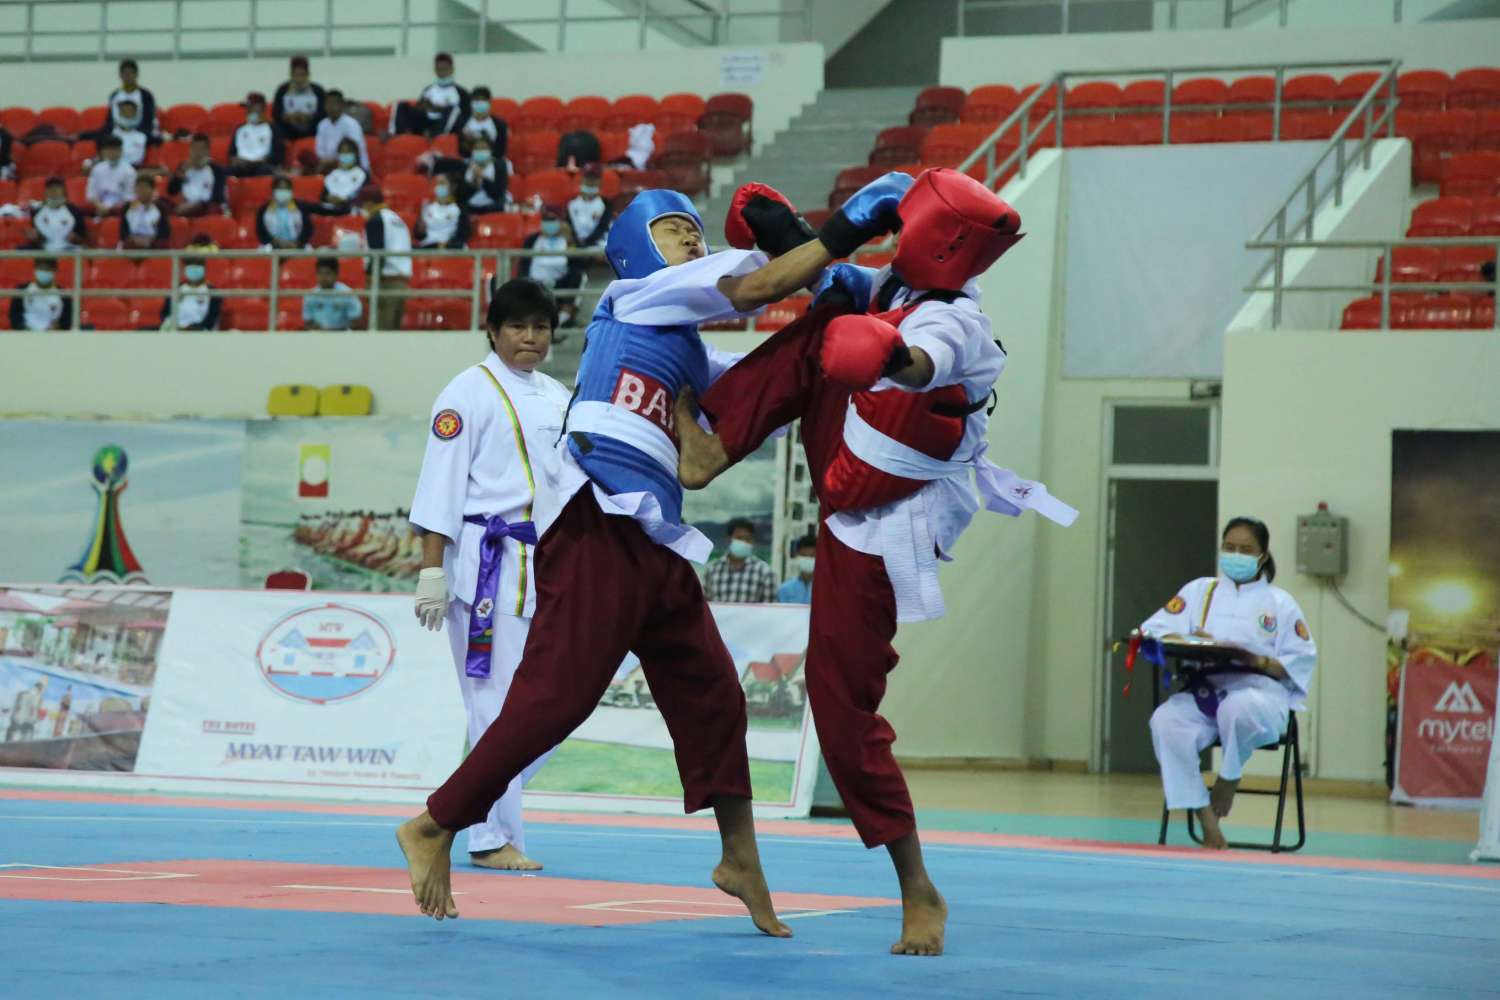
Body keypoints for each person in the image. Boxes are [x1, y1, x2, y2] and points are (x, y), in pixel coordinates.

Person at [394, 186, 851, 930]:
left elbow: (757, 387)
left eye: (697, 233)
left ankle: (740, 857)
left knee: (716, 694)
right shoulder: (632, 298)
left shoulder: (675, 350)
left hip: (653, 538)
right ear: (639, 249)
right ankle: (435, 823)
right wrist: (839, 235)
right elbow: (756, 287)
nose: (692, 241)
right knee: (552, 700)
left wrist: (836, 316)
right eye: (674, 231)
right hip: (592, 527)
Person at [674, 169, 1077, 956]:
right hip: (848, 458)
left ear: (940, 238)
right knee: (831, 308)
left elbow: (922, 361)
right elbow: (842, 285)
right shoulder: (892, 285)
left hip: (885, 522)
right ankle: (712, 446)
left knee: (842, 714)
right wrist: (808, 233)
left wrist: (888, 355)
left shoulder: (959, 323)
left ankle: (918, 886)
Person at [408, 278, 572, 872]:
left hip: (547, 561)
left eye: (540, 327)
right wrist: (432, 571)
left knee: (562, 702)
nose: (530, 338)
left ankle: (463, 800)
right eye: (517, 327)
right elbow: (440, 485)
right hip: (487, 564)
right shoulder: (465, 393)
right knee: (493, 705)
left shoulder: (557, 394)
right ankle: (488, 836)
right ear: (493, 331)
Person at [1139, 516, 1317, 850]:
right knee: (1165, 721)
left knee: (1238, 707)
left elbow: (1300, 660)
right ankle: (1206, 817)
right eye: (1229, 547)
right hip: (1205, 691)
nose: (1236, 555)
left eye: (1246, 549)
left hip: (1259, 695)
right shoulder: (1200, 591)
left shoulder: (1280, 603)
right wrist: (1189, 640)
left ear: (1262, 556)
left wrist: (1258, 661)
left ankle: (1229, 776)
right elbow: (1153, 629)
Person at [518, 206, 583, 326]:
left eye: (552, 220)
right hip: (534, 282)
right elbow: (524, 265)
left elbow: (579, 263)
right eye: (546, 220)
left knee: (578, 275)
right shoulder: (532, 240)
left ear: (560, 222)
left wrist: (570, 241)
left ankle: (564, 317)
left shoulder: (568, 240)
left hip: (560, 283)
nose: (549, 224)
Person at [360, 185, 412, 330]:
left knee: (381, 333)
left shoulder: (375, 220)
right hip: (402, 282)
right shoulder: (397, 219)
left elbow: (378, 254)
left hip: (385, 282)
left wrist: (370, 279)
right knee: (393, 333)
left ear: (369, 203)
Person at [704, 518, 777, 603]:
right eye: (739, 538)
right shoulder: (712, 570)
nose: (744, 542)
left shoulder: (765, 572)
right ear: (729, 539)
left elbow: (769, 608)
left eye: (748, 539)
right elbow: (705, 604)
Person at [397, 52, 468, 137]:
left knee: (453, 110)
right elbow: (419, 109)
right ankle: (400, 134)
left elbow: (465, 115)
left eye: (444, 68)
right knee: (402, 106)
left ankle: (436, 135)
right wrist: (424, 106)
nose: (442, 72)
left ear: (452, 69)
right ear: (435, 70)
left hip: (445, 125)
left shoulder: (461, 92)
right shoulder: (428, 90)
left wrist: (437, 109)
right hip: (426, 123)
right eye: (439, 69)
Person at [167, 133, 228, 216]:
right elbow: (171, 191)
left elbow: (218, 198)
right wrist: (180, 175)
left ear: (208, 151)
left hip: (206, 207)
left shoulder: (216, 170)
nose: (197, 153)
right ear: (190, 150)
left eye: (201, 149)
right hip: (185, 204)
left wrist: (197, 204)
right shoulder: (183, 167)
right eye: (195, 149)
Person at [228, 92, 286, 178]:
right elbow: (232, 153)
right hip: (242, 167)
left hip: (262, 166)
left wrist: (257, 162)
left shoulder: (273, 129)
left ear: (262, 108)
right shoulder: (239, 129)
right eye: (247, 108)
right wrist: (236, 160)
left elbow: (278, 155)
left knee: (265, 171)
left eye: (251, 107)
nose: (248, 110)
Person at [8, 257, 71, 331]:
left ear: (54, 271)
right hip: (24, 335)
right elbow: (14, 317)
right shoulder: (22, 290)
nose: (44, 272)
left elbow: (67, 321)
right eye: (41, 268)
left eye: (47, 269)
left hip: (53, 336)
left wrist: (58, 327)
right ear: (35, 269)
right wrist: (24, 329)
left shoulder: (64, 295)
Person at [272, 55, 326, 141]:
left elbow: (323, 114)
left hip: (312, 129)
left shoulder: (318, 91)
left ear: (308, 75)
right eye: (296, 75)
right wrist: (289, 117)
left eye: (302, 75)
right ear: (291, 75)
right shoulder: (282, 90)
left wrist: (309, 117)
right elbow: (276, 114)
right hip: (289, 129)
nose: (299, 79)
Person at [159, 256, 222, 331]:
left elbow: (212, 318)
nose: (194, 269)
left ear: (204, 269)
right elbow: (165, 313)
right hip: (175, 331)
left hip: (200, 332)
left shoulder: (212, 291)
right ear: (185, 269)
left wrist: (193, 328)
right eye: (190, 265)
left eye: (197, 265)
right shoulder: (176, 289)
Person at [25, 177, 88, 251]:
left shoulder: (74, 211)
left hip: (68, 249)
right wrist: (36, 237)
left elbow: (83, 238)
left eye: (57, 188)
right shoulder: (37, 212)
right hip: (44, 251)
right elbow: (38, 239)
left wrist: (75, 238)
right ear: (45, 192)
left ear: (63, 191)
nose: (53, 191)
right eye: (50, 188)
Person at [302, 257, 363, 331]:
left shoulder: (347, 293)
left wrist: (334, 331)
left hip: (342, 334)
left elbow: (356, 322)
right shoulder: (310, 295)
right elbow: (307, 322)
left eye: (327, 273)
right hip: (318, 334)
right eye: (320, 273)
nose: (323, 277)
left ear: (336, 275)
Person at [315, 90, 369, 172]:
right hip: (329, 167)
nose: (331, 106)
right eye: (328, 103)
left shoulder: (351, 124)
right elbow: (319, 151)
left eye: (334, 103)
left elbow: (353, 152)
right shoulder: (322, 125)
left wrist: (333, 161)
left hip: (354, 167)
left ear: (342, 105)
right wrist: (325, 162)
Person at [255, 175, 315, 249]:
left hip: (297, 246)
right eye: (280, 188)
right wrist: (275, 242)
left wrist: (297, 243)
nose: (283, 191)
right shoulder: (264, 209)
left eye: (286, 188)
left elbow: (308, 229)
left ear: (291, 190)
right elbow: (261, 231)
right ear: (273, 190)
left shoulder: (301, 207)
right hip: (272, 246)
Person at [104, 58, 159, 138]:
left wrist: (131, 133)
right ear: (120, 75)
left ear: (136, 75)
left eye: (131, 73)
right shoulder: (114, 95)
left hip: (140, 132)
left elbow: (148, 120)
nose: (128, 76)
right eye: (125, 73)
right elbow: (110, 121)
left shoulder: (146, 96)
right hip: (118, 133)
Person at [86, 135, 137, 216]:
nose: (112, 153)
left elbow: (129, 197)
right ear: (104, 151)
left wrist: (111, 208)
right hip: (100, 208)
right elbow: (91, 194)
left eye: (115, 149)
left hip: (120, 210)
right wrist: (100, 206)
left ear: (121, 151)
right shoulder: (97, 169)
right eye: (109, 150)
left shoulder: (129, 171)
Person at [416, 175, 470, 249]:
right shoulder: (428, 207)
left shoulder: (458, 209)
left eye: (442, 183)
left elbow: (464, 234)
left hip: (449, 247)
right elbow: (419, 235)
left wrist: (449, 243)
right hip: (428, 246)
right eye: (437, 184)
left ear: (452, 187)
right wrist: (419, 231)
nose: (439, 186)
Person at [566, 165, 613, 248]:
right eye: (588, 178)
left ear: (599, 182)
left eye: (594, 179)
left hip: (598, 246)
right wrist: (578, 242)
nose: (590, 182)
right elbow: (570, 227)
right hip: (577, 246)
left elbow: (603, 227)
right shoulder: (572, 204)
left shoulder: (606, 204)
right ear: (582, 181)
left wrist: (587, 242)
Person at [451, 85, 504, 157]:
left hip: (491, 160)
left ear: (489, 102)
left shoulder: (500, 124)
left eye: (483, 100)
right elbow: (459, 148)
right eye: (476, 100)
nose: (480, 103)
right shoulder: (461, 122)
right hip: (467, 160)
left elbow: (500, 151)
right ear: (471, 103)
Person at [457, 136, 506, 214]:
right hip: (469, 209)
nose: (480, 151)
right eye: (477, 148)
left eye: (483, 148)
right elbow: (461, 194)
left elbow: (497, 194)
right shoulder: (465, 166)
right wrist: (474, 181)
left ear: (490, 150)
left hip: (492, 209)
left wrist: (482, 177)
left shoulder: (499, 166)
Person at [121, 174, 171, 249]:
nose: (142, 190)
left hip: (153, 245)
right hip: (132, 245)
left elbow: (164, 233)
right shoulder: (127, 207)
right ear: (135, 189)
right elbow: (123, 233)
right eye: (139, 187)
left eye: (145, 187)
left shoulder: (160, 207)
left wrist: (150, 239)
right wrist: (135, 239)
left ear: (153, 190)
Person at [321, 138, 368, 208]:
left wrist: (343, 200)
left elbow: (364, 197)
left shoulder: (362, 174)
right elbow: (323, 196)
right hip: (329, 208)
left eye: (348, 152)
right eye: (342, 152)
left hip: (349, 208)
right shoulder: (333, 174)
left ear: (355, 154)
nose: (345, 155)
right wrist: (328, 198)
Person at [110, 97, 154, 170]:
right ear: (118, 113)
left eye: (130, 112)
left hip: (135, 169)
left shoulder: (143, 136)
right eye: (124, 112)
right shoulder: (110, 133)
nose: (127, 115)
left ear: (136, 114)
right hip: (113, 168)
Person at [777, 535, 817, 604]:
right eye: (804, 556)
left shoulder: (826, 589)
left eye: (811, 556)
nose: (807, 559)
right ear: (797, 556)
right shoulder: (785, 589)